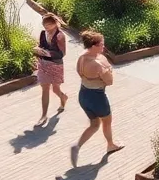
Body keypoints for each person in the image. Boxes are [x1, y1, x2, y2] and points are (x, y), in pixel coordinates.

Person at [71, 30, 123, 166]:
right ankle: (110, 145)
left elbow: (80, 73)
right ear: (93, 45)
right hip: (97, 97)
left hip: (83, 95)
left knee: (94, 124)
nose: (103, 47)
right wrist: (108, 69)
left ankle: (77, 146)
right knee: (106, 122)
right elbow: (110, 81)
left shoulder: (82, 57)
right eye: (101, 45)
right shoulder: (98, 64)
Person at [34, 14, 68, 125]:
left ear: (55, 23)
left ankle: (63, 97)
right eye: (44, 25)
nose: (46, 27)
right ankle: (44, 115)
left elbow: (62, 53)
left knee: (55, 89)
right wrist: (38, 51)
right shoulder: (43, 33)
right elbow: (41, 45)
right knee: (45, 88)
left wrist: (48, 53)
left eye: (49, 25)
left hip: (55, 64)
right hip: (43, 64)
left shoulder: (60, 36)